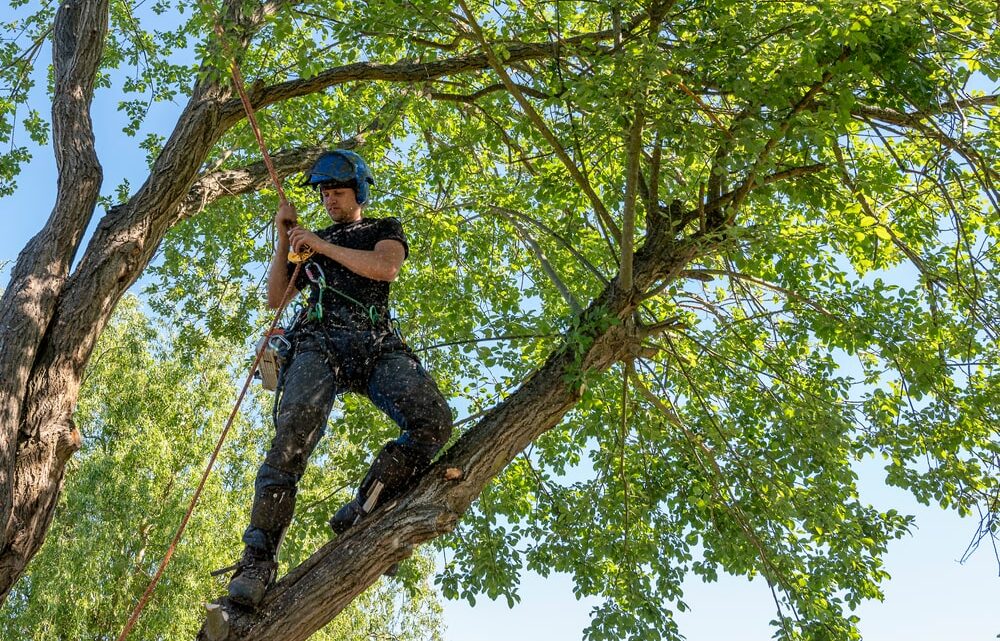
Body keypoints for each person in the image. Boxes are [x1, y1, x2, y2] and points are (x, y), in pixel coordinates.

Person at [226, 149, 453, 608]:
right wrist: (284, 238)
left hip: (375, 343)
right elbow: (275, 298)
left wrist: (322, 246)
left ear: (358, 192)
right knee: (293, 433)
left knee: (434, 421)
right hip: (319, 343)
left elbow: (386, 267)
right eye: (325, 194)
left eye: (338, 193)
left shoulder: (381, 229)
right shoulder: (308, 243)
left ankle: (364, 505)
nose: (330, 200)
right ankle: (257, 558)